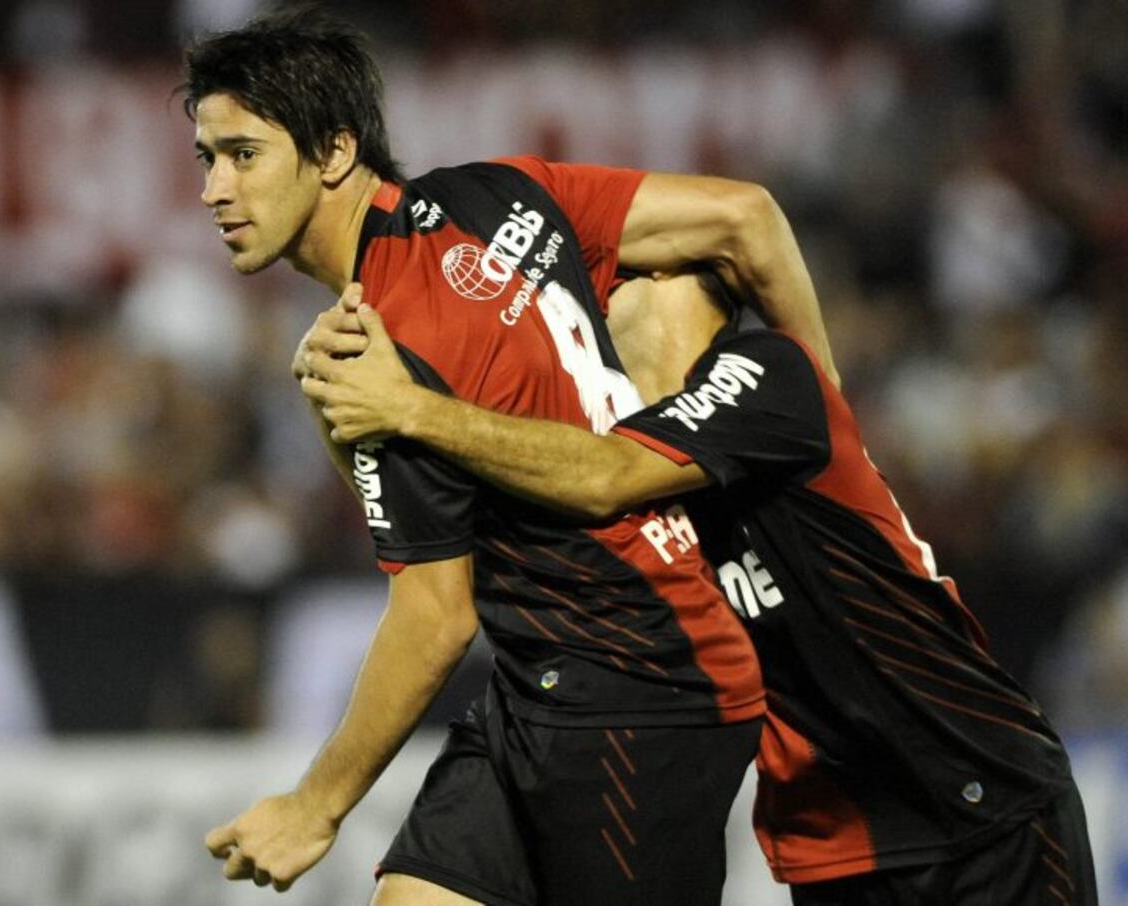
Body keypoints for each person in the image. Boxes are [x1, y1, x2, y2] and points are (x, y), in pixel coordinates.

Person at [181, 7, 838, 904]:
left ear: (332, 152)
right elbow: (743, 216)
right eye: (205, 159)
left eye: (243, 155)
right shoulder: (497, 195)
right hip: (544, 680)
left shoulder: (382, 346)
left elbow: (434, 619)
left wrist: (316, 805)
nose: (215, 188)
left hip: (643, 690)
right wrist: (833, 441)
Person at [297, 272, 1098, 905]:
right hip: (836, 841)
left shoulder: (767, 372)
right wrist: (354, 426)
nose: (597, 294)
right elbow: (459, 553)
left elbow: (605, 478)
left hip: (978, 797)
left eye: (623, 277)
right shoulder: (600, 455)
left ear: (694, 284)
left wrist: (413, 408)